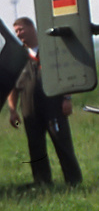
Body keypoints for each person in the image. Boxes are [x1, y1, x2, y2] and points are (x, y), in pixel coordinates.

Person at [6, 17, 82, 187]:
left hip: (53, 107)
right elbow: (13, 87)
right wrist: (12, 110)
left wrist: (67, 98)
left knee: (62, 144)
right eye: (16, 31)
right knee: (36, 148)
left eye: (21, 29)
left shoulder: (51, 50)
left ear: (32, 27)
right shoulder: (19, 57)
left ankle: (74, 181)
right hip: (29, 109)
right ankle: (42, 183)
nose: (19, 34)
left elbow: (66, 74)